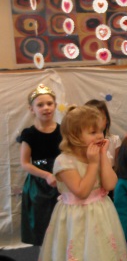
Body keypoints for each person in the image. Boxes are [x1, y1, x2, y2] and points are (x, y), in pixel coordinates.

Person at [39, 106, 127, 260]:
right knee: (80, 251)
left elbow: (110, 185)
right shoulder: (64, 161)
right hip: (77, 217)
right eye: (93, 132)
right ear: (74, 135)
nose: (100, 136)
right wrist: (93, 164)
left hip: (101, 213)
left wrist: (102, 157)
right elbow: (82, 192)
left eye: (101, 131)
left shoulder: (96, 154)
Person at [19, 84, 61, 246]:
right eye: (40, 105)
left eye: (49, 104)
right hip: (39, 185)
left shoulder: (62, 131)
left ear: (55, 106)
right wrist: (46, 175)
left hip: (61, 181)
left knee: (61, 223)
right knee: (42, 224)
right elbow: (25, 163)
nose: (46, 108)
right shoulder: (29, 134)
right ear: (31, 109)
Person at [85, 99, 121, 167]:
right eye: (92, 117)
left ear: (107, 119)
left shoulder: (115, 140)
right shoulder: (84, 144)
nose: (96, 121)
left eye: (100, 117)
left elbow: (118, 166)